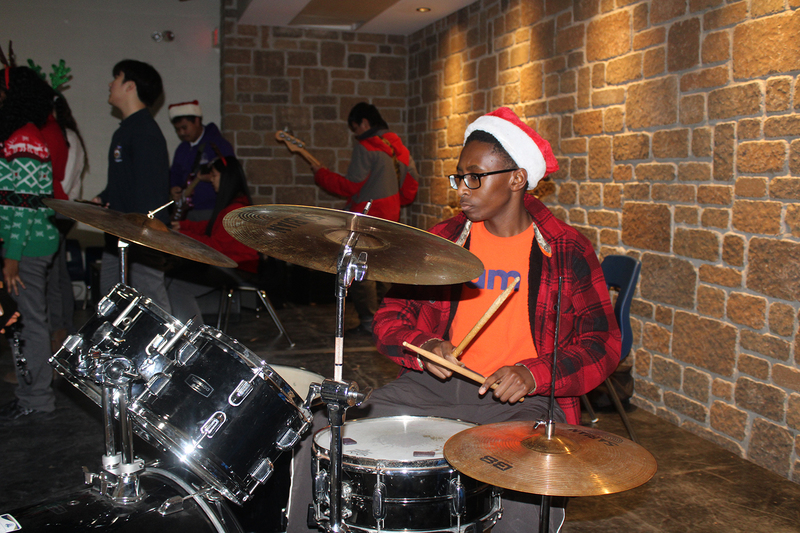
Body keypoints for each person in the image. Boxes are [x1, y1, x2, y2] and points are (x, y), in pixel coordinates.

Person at [287, 107, 621, 532]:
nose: (461, 189)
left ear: (517, 179)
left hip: (523, 402)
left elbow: (602, 343)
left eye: (475, 177)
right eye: (458, 176)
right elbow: (391, 318)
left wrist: (533, 373)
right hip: (435, 388)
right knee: (318, 432)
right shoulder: (444, 241)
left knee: (531, 487)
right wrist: (423, 346)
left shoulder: (565, 250)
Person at [310, 102, 419, 336]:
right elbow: (410, 189)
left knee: (359, 267)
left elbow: (350, 185)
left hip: (368, 214)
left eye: (355, 128)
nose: (356, 133)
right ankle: (390, 320)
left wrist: (321, 174)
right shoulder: (399, 147)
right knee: (384, 268)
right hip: (392, 214)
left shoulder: (365, 146)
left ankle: (369, 321)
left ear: (365, 123)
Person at [0, 65, 61, 424]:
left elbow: (22, 205)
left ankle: (37, 398)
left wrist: (12, 257)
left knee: (28, 323)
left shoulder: (24, 140)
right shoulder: (22, 135)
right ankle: (31, 393)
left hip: (26, 248)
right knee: (25, 319)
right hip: (23, 247)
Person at [94, 59, 171, 312]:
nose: (110, 84)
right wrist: (102, 198)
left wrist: (140, 237)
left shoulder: (145, 132)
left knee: (153, 309)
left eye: (116, 78)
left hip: (140, 238)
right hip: (118, 236)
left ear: (130, 86)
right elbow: (126, 181)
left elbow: (150, 192)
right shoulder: (126, 130)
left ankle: (167, 352)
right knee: (111, 306)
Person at [166, 155, 258, 323]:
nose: (211, 180)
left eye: (214, 175)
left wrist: (180, 235)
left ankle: (196, 339)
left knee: (177, 287)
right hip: (230, 262)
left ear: (227, 178)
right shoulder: (234, 205)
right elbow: (211, 226)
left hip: (238, 266)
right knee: (175, 278)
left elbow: (214, 246)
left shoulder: (236, 210)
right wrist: (183, 226)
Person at [168, 100, 234, 222]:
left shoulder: (219, 145)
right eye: (177, 129)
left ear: (197, 121)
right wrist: (174, 189)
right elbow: (175, 173)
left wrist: (210, 178)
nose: (181, 133)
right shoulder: (182, 149)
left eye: (184, 127)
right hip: (186, 210)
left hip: (212, 209)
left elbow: (230, 175)